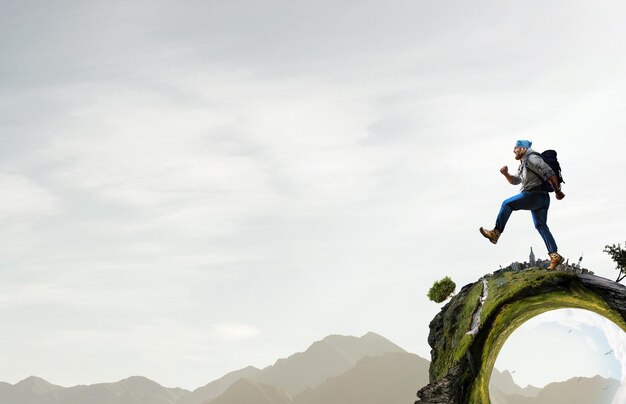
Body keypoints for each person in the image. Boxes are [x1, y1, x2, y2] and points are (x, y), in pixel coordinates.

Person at [480, 140, 565, 270]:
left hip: (534, 195)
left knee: (507, 204)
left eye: (516, 148)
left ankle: (496, 233)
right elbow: (515, 180)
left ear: (524, 148)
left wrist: (558, 191)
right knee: (541, 226)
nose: (514, 150)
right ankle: (555, 255)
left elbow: (548, 172)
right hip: (541, 199)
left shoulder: (532, 158)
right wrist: (506, 174)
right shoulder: (524, 162)